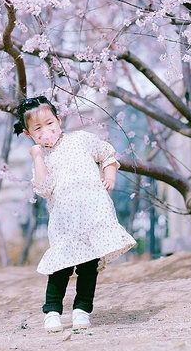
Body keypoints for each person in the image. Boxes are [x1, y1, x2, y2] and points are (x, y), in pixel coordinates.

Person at [15, 96, 136, 333]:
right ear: (29, 134)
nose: (46, 130)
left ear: (59, 120)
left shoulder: (81, 139)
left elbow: (107, 155)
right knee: (60, 267)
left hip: (92, 216)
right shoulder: (42, 159)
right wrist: (38, 156)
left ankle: (82, 310)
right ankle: (52, 312)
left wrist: (109, 175)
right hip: (65, 223)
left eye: (50, 123)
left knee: (89, 267)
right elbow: (43, 188)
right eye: (38, 128)